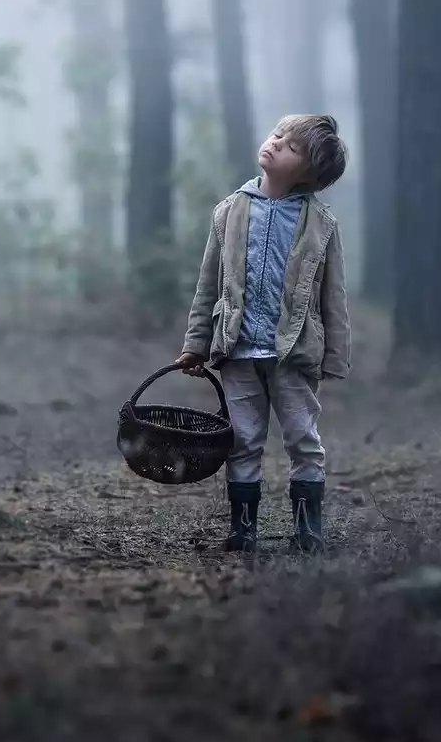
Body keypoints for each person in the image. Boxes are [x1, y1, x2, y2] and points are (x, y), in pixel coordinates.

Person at [174, 114, 351, 553]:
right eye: (276, 135)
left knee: (303, 439)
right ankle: (243, 528)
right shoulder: (230, 211)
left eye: (289, 146)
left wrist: (335, 356)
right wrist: (196, 345)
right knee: (242, 440)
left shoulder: (320, 224)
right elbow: (207, 286)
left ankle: (307, 529)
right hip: (237, 350)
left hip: (294, 354)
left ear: (309, 172)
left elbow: (334, 296)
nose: (274, 144)